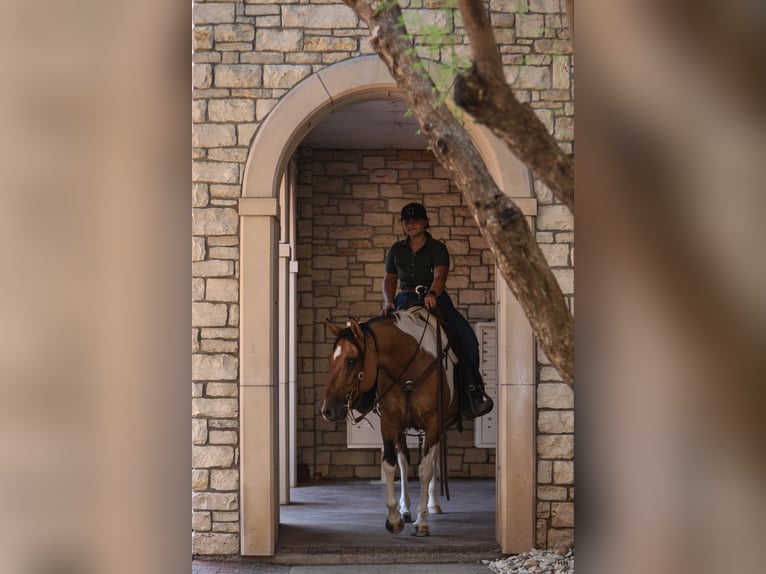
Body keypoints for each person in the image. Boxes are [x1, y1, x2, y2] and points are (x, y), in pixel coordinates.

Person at [382, 202, 493, 419]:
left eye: (416, 220)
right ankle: (369, 394)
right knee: (375, 338)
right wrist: (388, 301)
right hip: (404, 297)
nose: (411, 224)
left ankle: (473, 392)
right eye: (407, 221)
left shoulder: (437, 248)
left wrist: (432, 294)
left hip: (434, 297)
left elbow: (439, 276)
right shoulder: (396, 250)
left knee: (468, 339)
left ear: (425, 222)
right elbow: (389, 280)